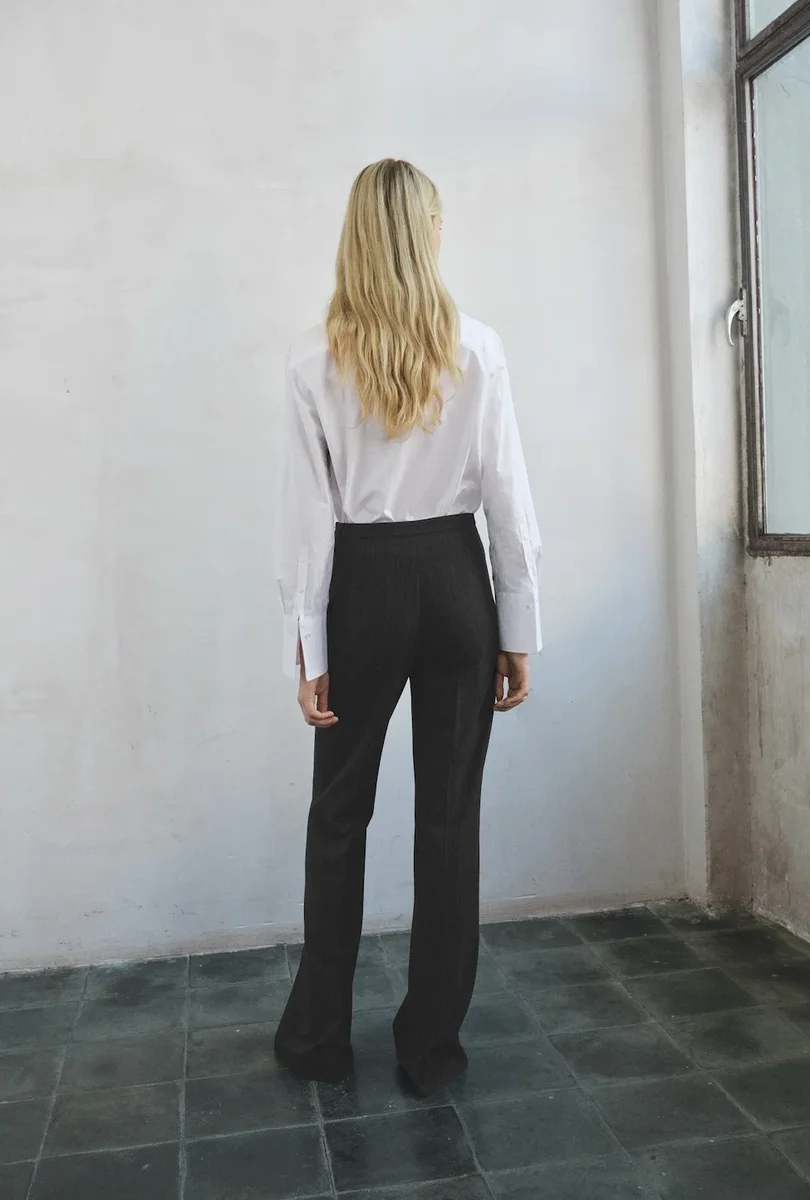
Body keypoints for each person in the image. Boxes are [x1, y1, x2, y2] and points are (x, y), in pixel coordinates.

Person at [273, 158, 542, 1098]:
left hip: (363, 587)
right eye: (437, 219)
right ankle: (430, 1050)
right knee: (450, 816)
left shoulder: (313, 359)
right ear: (426, 231)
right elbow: (508, 497)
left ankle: (318, 1040)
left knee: (338, 813)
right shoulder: (478, 346)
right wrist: (517, 623)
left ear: (355, 235)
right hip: (458, 583)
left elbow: (307, 519)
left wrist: (310, 644)